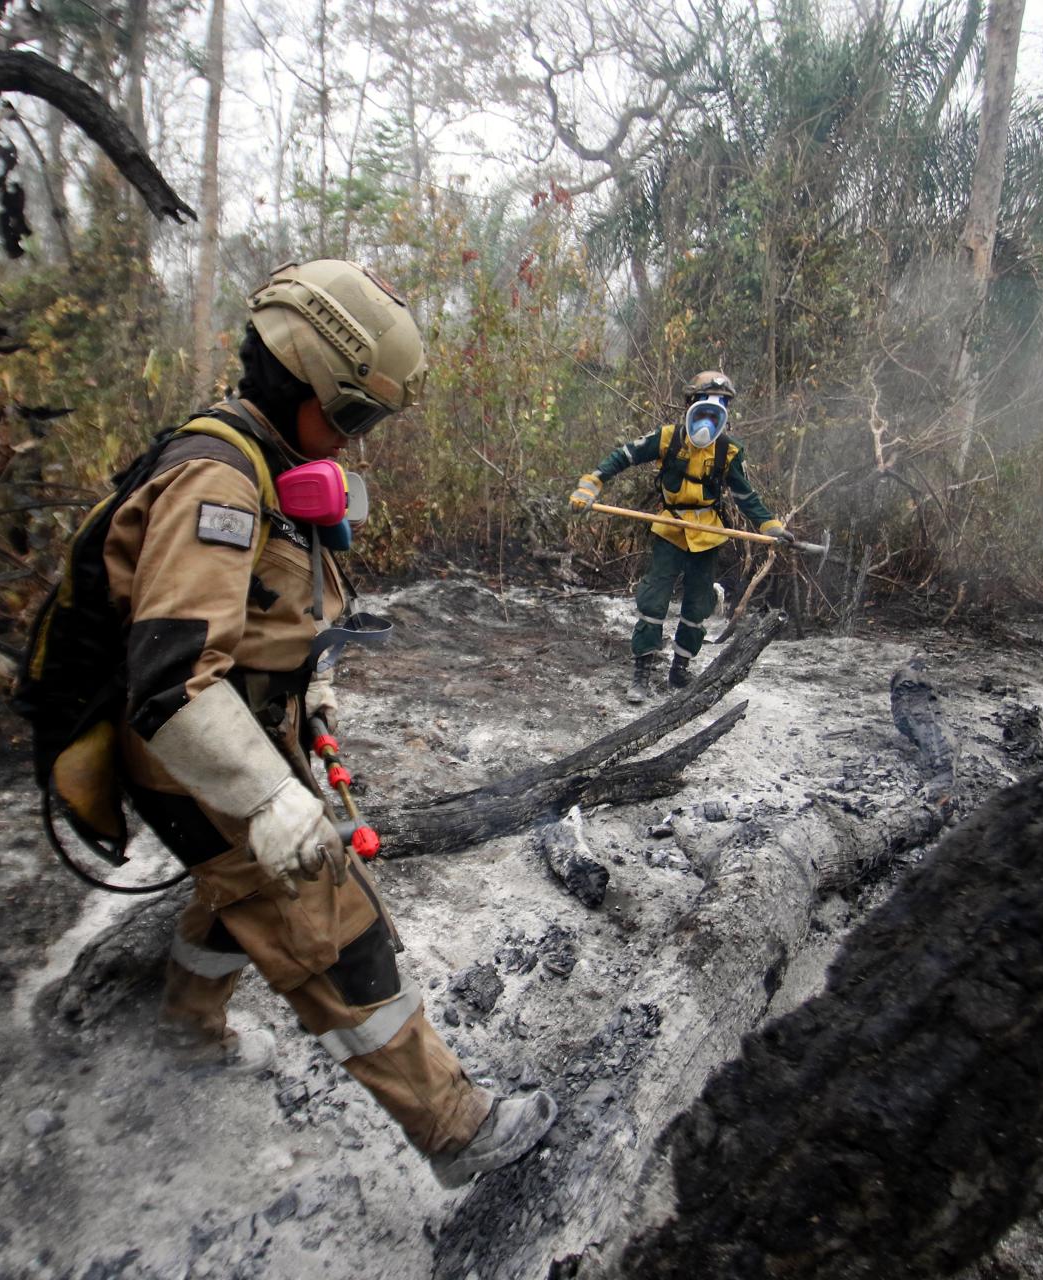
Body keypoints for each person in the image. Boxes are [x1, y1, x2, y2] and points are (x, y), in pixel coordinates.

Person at [105, 258, 556, 1188]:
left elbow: (263, 618)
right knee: (331, 924)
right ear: (300, 372)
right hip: (191, 753)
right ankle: (457, 1130)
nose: (352, 446)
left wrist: (309, 699)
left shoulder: (268, 461)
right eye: (351, 418)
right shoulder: (219, 481)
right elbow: (170, 683)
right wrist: (271, 800)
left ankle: (186, 1030)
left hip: (240, 739)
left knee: (234, 893)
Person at [567, 371, 796, 702]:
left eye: (720, 406)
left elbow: (747, 497)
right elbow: (622, 457)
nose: (709, 414)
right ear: (690, 404)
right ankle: (642, 673)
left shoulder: (728, 451)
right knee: (653, 601)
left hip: (707, 534)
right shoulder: (667, 439)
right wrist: (590, 485)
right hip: (670, 530)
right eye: (703, 405)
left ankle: (680, 670)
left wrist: (770, 527)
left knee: (698, 605)